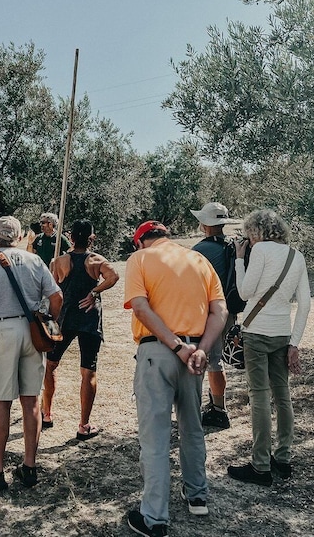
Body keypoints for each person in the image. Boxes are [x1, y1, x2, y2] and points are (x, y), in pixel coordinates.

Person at [124, 220, 227, 537]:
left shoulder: (139, 259)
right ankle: (197, 495)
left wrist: (176, 346)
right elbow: (219, 311)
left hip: (159, 351)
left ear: (141, 241)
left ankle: (154, 517)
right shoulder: (199, 259)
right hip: (195, 354)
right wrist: (200, 350)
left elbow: (140, 308)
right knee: (192, 427)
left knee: (155, 436)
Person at [0, 216, 62, 490]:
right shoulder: (34, 260)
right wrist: (48, 324)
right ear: (20, 237)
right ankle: (29, 466)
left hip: (0, 329)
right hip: (31, 329)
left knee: (1, 402)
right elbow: (57, 297)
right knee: (31, 401)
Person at [227, 209, 310, 487]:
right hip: (282, 334)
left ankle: (260, 465)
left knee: (260, 396)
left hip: (256, 332)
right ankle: (283, 458)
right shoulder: (296, 256)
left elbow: (245, 292)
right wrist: (295, 342)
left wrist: (240, 260)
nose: (248, 241)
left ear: (258, 232)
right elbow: (305, 304)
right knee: (282, 394)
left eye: (250, 235)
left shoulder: (260, 250)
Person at [43, 220, 119, 440]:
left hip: (64, 319)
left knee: (50, 365)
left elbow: (53, 291)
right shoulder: (96, 260)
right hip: (89, 320)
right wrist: (94, 292)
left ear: (71, 237)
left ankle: (46, 414)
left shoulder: (58, 261)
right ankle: (84, 425)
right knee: (88, 371)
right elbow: (113, 276)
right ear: (91, 238)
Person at [190, 202, 242, 428]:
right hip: (228, 310)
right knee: (216, 359)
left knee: (210, 360)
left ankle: (215, 411)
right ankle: (217, 405)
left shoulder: (199, 251)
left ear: (204, 224)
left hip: (206, 311)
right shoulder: (232, 246)